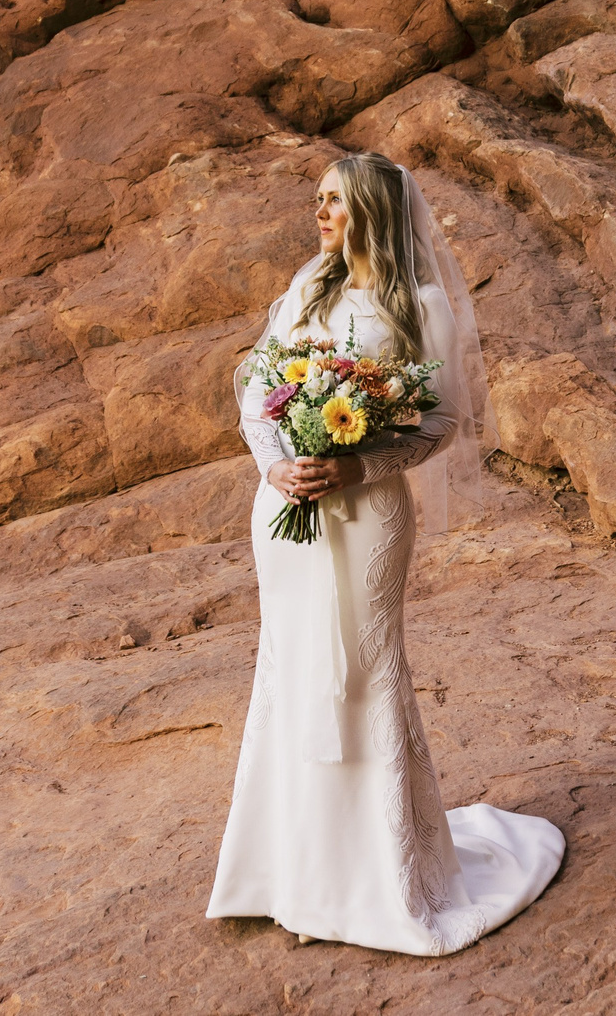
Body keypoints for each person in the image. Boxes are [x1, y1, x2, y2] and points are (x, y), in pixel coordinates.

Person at [205, 153, 565, 954]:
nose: (320, 212)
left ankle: (377, 877)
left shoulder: (421, 306)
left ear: (370, 209)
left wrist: (354, 464)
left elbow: (440, 424)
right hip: (284, 509)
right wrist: (275, 463)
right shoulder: (306, 288)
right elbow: (257, 393)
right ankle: (282, 873)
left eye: (333, 200)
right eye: (318, 199)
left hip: (368, 511)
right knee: (289, 668)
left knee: (365, 670)